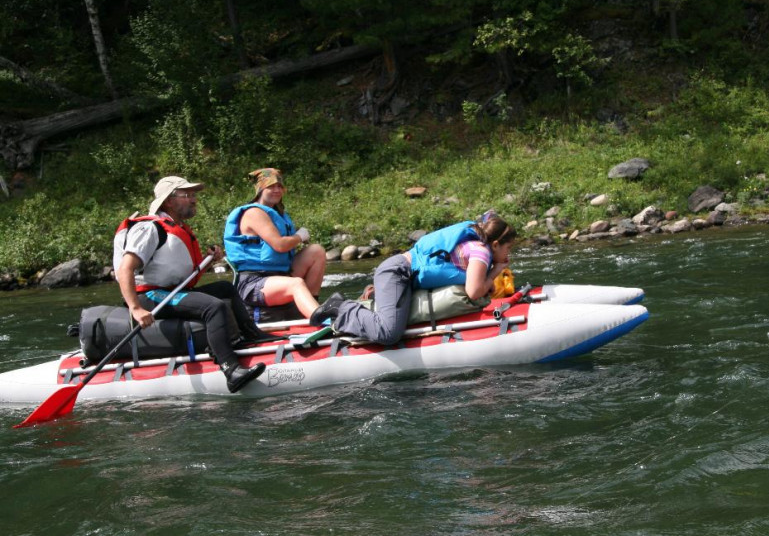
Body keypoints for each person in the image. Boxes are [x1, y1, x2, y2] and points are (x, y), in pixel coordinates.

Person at [113, 175, 268, 393]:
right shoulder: (149, 229)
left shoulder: (177, 227)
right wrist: (135, 308)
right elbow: (125, 268)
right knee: (213, 307)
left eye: (193, 194)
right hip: (149, 297)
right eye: (187, 195)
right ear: (168, 201)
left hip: (168, 292)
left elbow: (175, 273)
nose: (194, 199)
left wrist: (209, 261)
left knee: (224, 289)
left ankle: (253, 334)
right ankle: (230, 369)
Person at [310, 212, 516, 345]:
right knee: (388, 333)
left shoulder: (475, 245)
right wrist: (496, 271)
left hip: (403, 275)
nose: (508, 254)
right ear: (495, 244)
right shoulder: (482, 252)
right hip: (397, 273)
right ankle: (340, 307)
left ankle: (365, 303)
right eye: (508, 248)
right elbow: (473, 291)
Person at [223, 168, 326, 319]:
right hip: (254, 281)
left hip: (279, 273)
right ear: (260, 189)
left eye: (279, 186)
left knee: (316, 251)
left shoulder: (278, 213)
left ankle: (309, 309)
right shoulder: (254, 213)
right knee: (296, 283)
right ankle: (320, 319)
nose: (276, 190)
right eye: (271, 186)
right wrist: (299, 236)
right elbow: (280, 245)